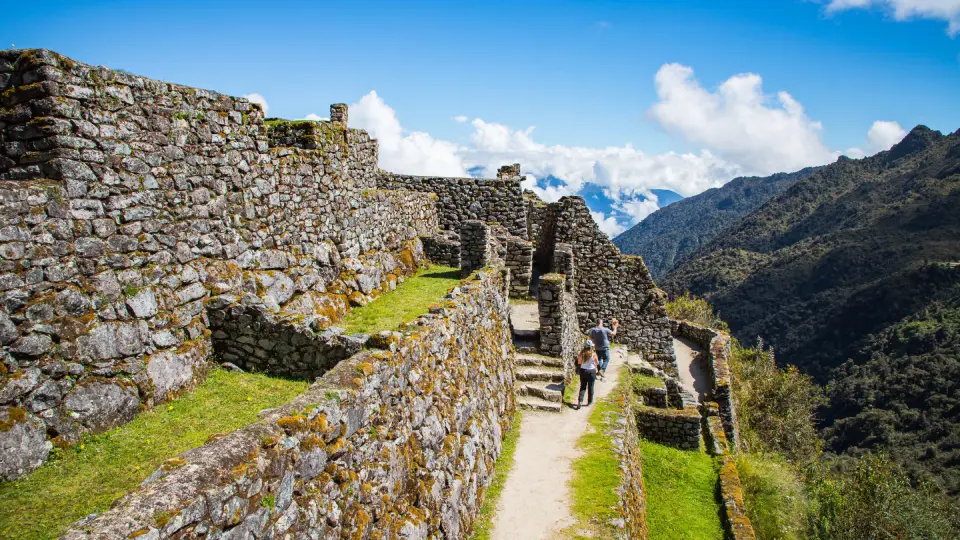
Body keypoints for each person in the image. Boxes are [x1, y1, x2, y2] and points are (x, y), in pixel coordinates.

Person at [575, 340, 598, 410]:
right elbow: (597, 362)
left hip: (583, 371)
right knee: (591, 387)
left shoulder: (581, 353)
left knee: (583, 387)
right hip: (592, 371)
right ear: (591, 347)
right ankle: (590, 401)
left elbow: (579, 362)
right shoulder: (593, 354)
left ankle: (580, 401)